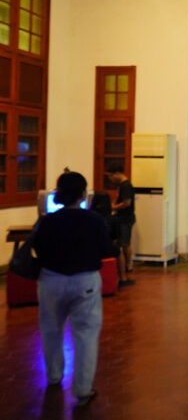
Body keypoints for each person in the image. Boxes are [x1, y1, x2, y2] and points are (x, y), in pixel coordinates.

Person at [33, 171, 112, 408]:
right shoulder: (94, 220)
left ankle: (53, 376)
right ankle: (82, 388)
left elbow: (38, 249)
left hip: (51, 281)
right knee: (86, 334)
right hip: (85, 281)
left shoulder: (47, 221)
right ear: (83, 194)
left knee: (50, 330)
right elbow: (106, 250)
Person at [106, 164, 136, 288]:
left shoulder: (126, 186)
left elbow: (127, 203)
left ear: (117, 173)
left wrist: (114, 207)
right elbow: (118, 199)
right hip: (121, 218)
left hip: (125, 218)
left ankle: (128, 266)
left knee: (125, 243)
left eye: (111, 176)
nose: (110, 179)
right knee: (121, 243)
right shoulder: (121, 186)